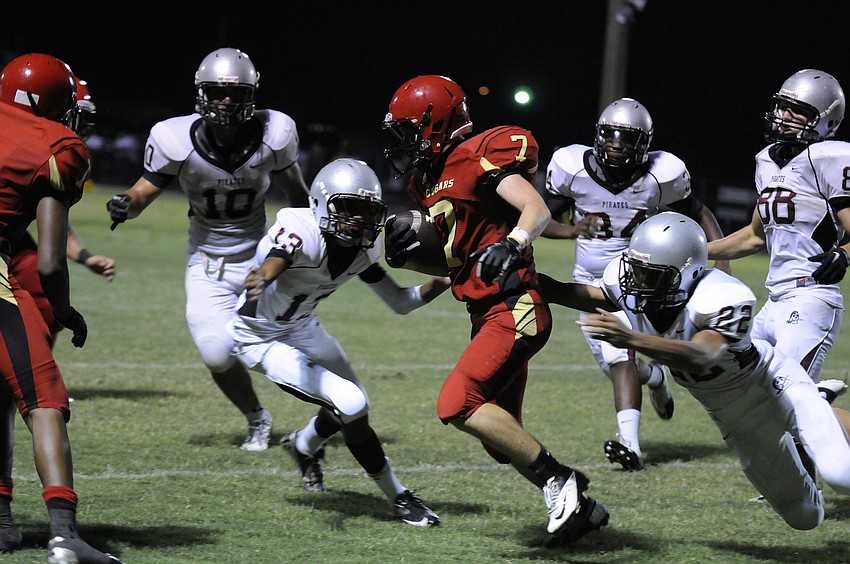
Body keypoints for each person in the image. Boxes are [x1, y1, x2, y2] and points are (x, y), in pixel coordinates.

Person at [381, 74, 609, 544]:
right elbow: (457, 258)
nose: (402, 142)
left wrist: (515, 241)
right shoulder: (426, 179)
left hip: (514, 306)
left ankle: (561, 482)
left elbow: (536, 209)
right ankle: (582, 511)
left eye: (408, 129)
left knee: (457, 403)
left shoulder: (477, 153)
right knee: (500, 441)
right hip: (484, 312)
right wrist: (409, 253)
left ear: (435, 123)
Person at [540, 211, 850, 530]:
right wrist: (535, 284)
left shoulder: (720, 295)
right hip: (734, 417)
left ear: (687, 274)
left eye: (653, 276)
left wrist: (631, 338)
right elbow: (592, 295)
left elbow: (702, 355)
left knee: (841, 473)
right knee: (804, 517)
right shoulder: (631, 282)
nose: (638, 284)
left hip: (775, 386)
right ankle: (820, 408)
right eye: (637, 272)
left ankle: (817, 405)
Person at [106, 47, 310, 451]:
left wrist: (303, 242)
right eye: (218, 91)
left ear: (252, 95)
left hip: (261, 255)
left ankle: (333, 413)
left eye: (235, 93)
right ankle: (257, 417)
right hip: (208, 260)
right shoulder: (174, 138)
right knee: (216, 354)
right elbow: (145, 189)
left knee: (295, 341)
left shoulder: (275, 133)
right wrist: (126, 203)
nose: (227, 101)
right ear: (202, 93)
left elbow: (297, 195)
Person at [228, 158, 447, 526]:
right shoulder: (300, 230)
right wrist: (262, 277)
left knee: (353, 405)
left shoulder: (363, 251)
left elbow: (400, 302)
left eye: (366, 211)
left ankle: (302, 446)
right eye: (348, 209)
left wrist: (448, 278)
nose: (358, 220)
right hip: (259, 337)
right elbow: (277, 258)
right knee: (350, 401)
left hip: (301, 326)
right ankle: (399, 498)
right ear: (320, 203)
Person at [542, 97, 729, 470]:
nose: (615, 144)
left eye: (625, 138)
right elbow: (539, 218)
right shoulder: (572, 169)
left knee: (619, 355)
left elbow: (701, 213)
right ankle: (655, 376)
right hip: (589, 281)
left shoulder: (662, 175)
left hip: (642, 279)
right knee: (617, 361)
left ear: (643, 144)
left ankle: (630, 444)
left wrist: (721, 260)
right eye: (610, 135)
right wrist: (570, 230)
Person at [0, 53, 123, 562]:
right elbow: (50, 261)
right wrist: (65, 310)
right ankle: (63, 535)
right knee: (42, 393)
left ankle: (3, 519)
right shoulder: (56, 146)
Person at [707, 69, 849, 403]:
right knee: (726, 383)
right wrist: (696, 251)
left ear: (826, 121)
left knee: (781, 405)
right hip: (773, 303)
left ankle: (812, 401)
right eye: (783, 107)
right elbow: (755, 237)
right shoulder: (766, 161)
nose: (785, 116)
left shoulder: (829, 158)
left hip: (811, 299)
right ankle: (815, 395)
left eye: (797, 110)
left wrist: (843, 254)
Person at [11, 77, 116, 347]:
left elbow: (56, 230)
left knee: (45, 302)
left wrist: (85, 257)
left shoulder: (44, 153)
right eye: (71, 114)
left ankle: (29, 380)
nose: (77, 125)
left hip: (12, 241)